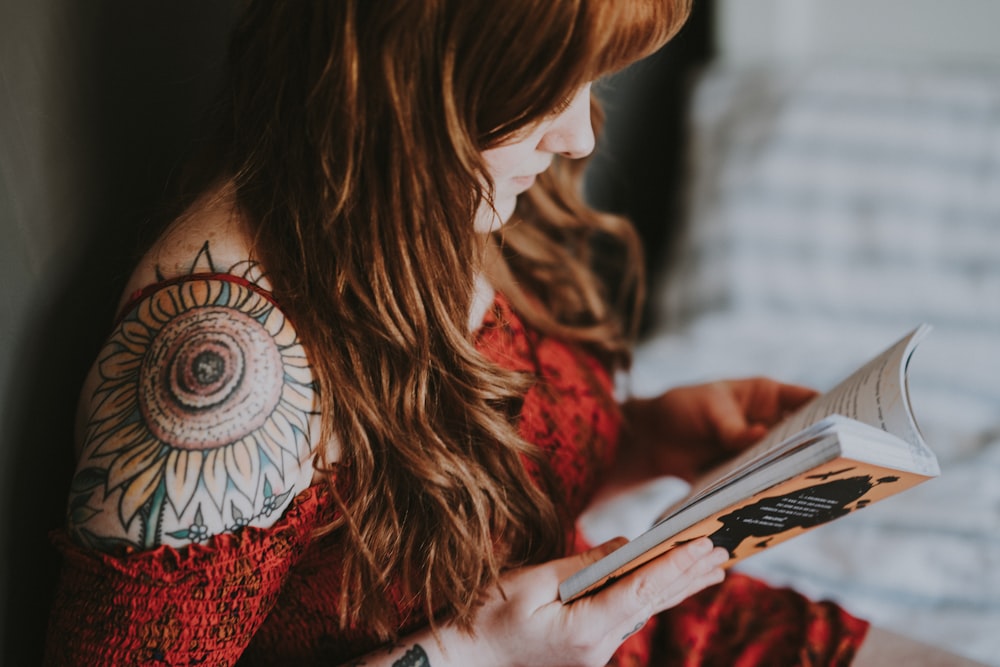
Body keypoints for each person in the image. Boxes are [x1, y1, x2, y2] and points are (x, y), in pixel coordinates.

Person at [42, 1, 985, 666]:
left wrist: (645, 435)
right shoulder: (224, 366)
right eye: (550, 84)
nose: (579, 134)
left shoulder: (452, 194)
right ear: (416, 66)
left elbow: (463, 496)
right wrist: (469, 654)